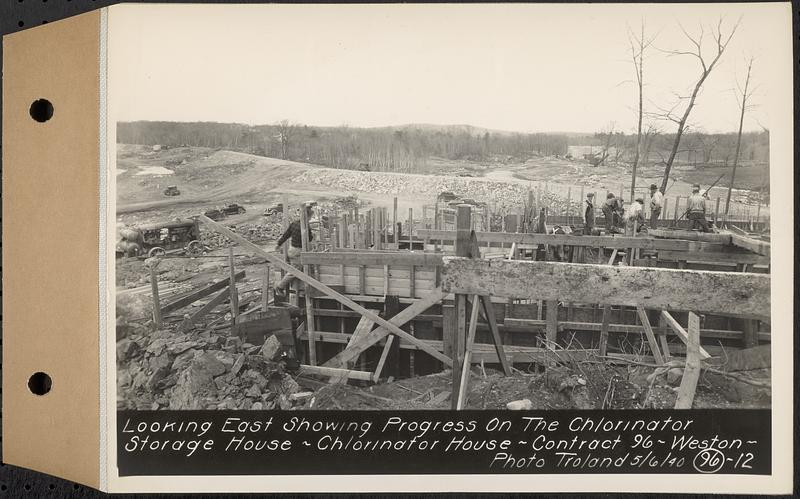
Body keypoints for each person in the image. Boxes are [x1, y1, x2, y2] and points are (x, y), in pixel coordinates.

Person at [273, 203, 315, 301]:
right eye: (310, 217)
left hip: (292, 249)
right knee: (294, 271)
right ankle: (280, 286)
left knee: (300, 270)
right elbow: (309, 239)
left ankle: (299, 291)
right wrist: (313, 236)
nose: (310, 219)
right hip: (298, 251)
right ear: (307, 216)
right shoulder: (305, 227)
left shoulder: (294, 223)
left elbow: (286, 235)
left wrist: (278, 244)